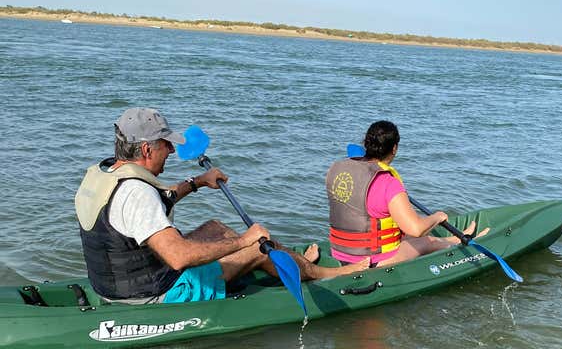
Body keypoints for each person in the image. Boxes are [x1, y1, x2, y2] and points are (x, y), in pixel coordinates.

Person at [75, 107, 367, 304]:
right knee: (257, 243)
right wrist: (245, 240)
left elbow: (147, 210)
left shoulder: (106, 175)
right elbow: (178, 257)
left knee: (215, 227)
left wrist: (198, 182)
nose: (173, 150)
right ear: (147, 149)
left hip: (116, 285)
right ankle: (326, 274)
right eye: (166, 144)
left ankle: (288, 262)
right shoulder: (138, 193)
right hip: (155, 295)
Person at [325, 120, 486, 267]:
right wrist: (437, 217)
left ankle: (456, 238)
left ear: (367, 144)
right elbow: (416, 229)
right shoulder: (388, 183)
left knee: (404, 234)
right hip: (371, 260)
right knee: (426, 240)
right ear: (394, 148)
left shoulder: (337, 169)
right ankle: (466, 243)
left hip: (339, 252)